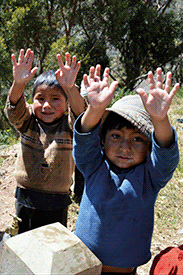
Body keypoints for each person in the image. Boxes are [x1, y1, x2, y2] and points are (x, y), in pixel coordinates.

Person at [72, 66, 180, 274]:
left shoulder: (150, 177)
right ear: (102, 140)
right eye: (116, 136)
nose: (125, 147)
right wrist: (94, 110)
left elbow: (166, 155)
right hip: (83, 266)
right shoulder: (94, 166)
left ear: (150, 147)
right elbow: (84, 140)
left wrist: (159, 120)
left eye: (137, 139)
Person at [4, 48, 86, 234]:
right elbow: (14, 111)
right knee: (24, 240)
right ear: (32, 101)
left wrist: (70, 87)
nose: (47, 105)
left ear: (66, 104)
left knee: (53, 244)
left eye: (55, 98)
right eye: (40, 98)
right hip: (26, 197)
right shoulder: (28, 121)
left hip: (58, 200)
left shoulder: (70, 126)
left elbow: (82, 118)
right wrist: (18, 83)